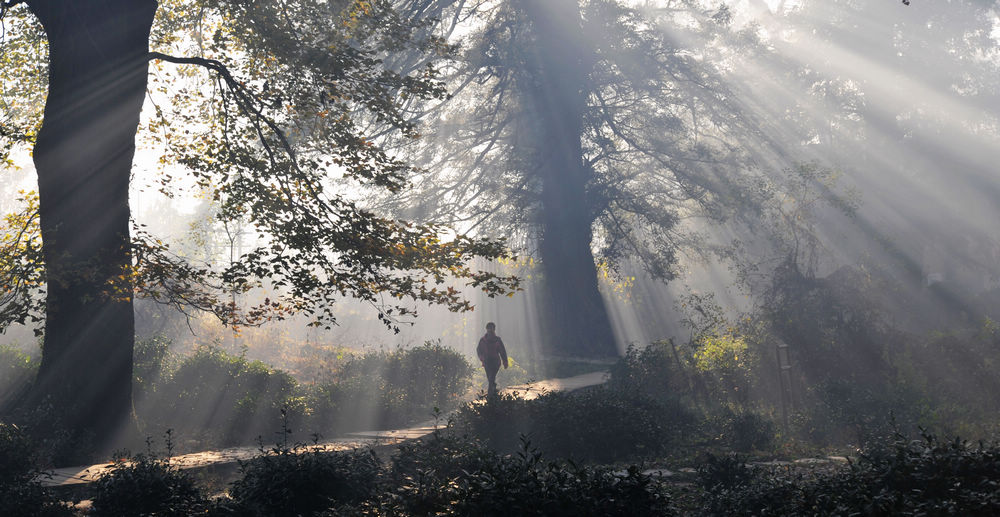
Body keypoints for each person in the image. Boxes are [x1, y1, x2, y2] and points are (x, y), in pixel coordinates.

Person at [476, 322, 508, 396]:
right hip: (486, 362)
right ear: (486, 329)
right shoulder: (483, 340)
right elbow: (478, 350)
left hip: (495, 362)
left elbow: (502, 351)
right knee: (489, 377)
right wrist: (481, 358)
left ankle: (490, 395)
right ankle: (494, 390)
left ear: (494, 329)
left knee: (491, 377)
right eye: (489, 328)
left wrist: (505, 361)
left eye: (492, 328)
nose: (490, 330)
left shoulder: (497, 340)